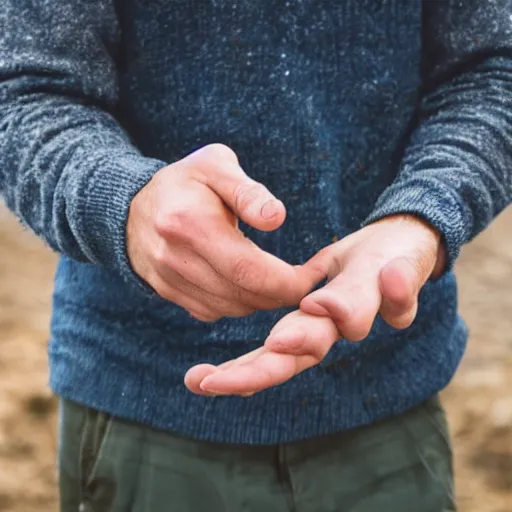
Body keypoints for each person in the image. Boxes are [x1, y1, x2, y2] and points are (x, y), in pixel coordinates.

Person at [1, 1, 511, 510]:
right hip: (142, 405)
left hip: (390, 397)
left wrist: (420, 218)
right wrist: (127, 204)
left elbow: (492, 70)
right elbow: (25, 95)